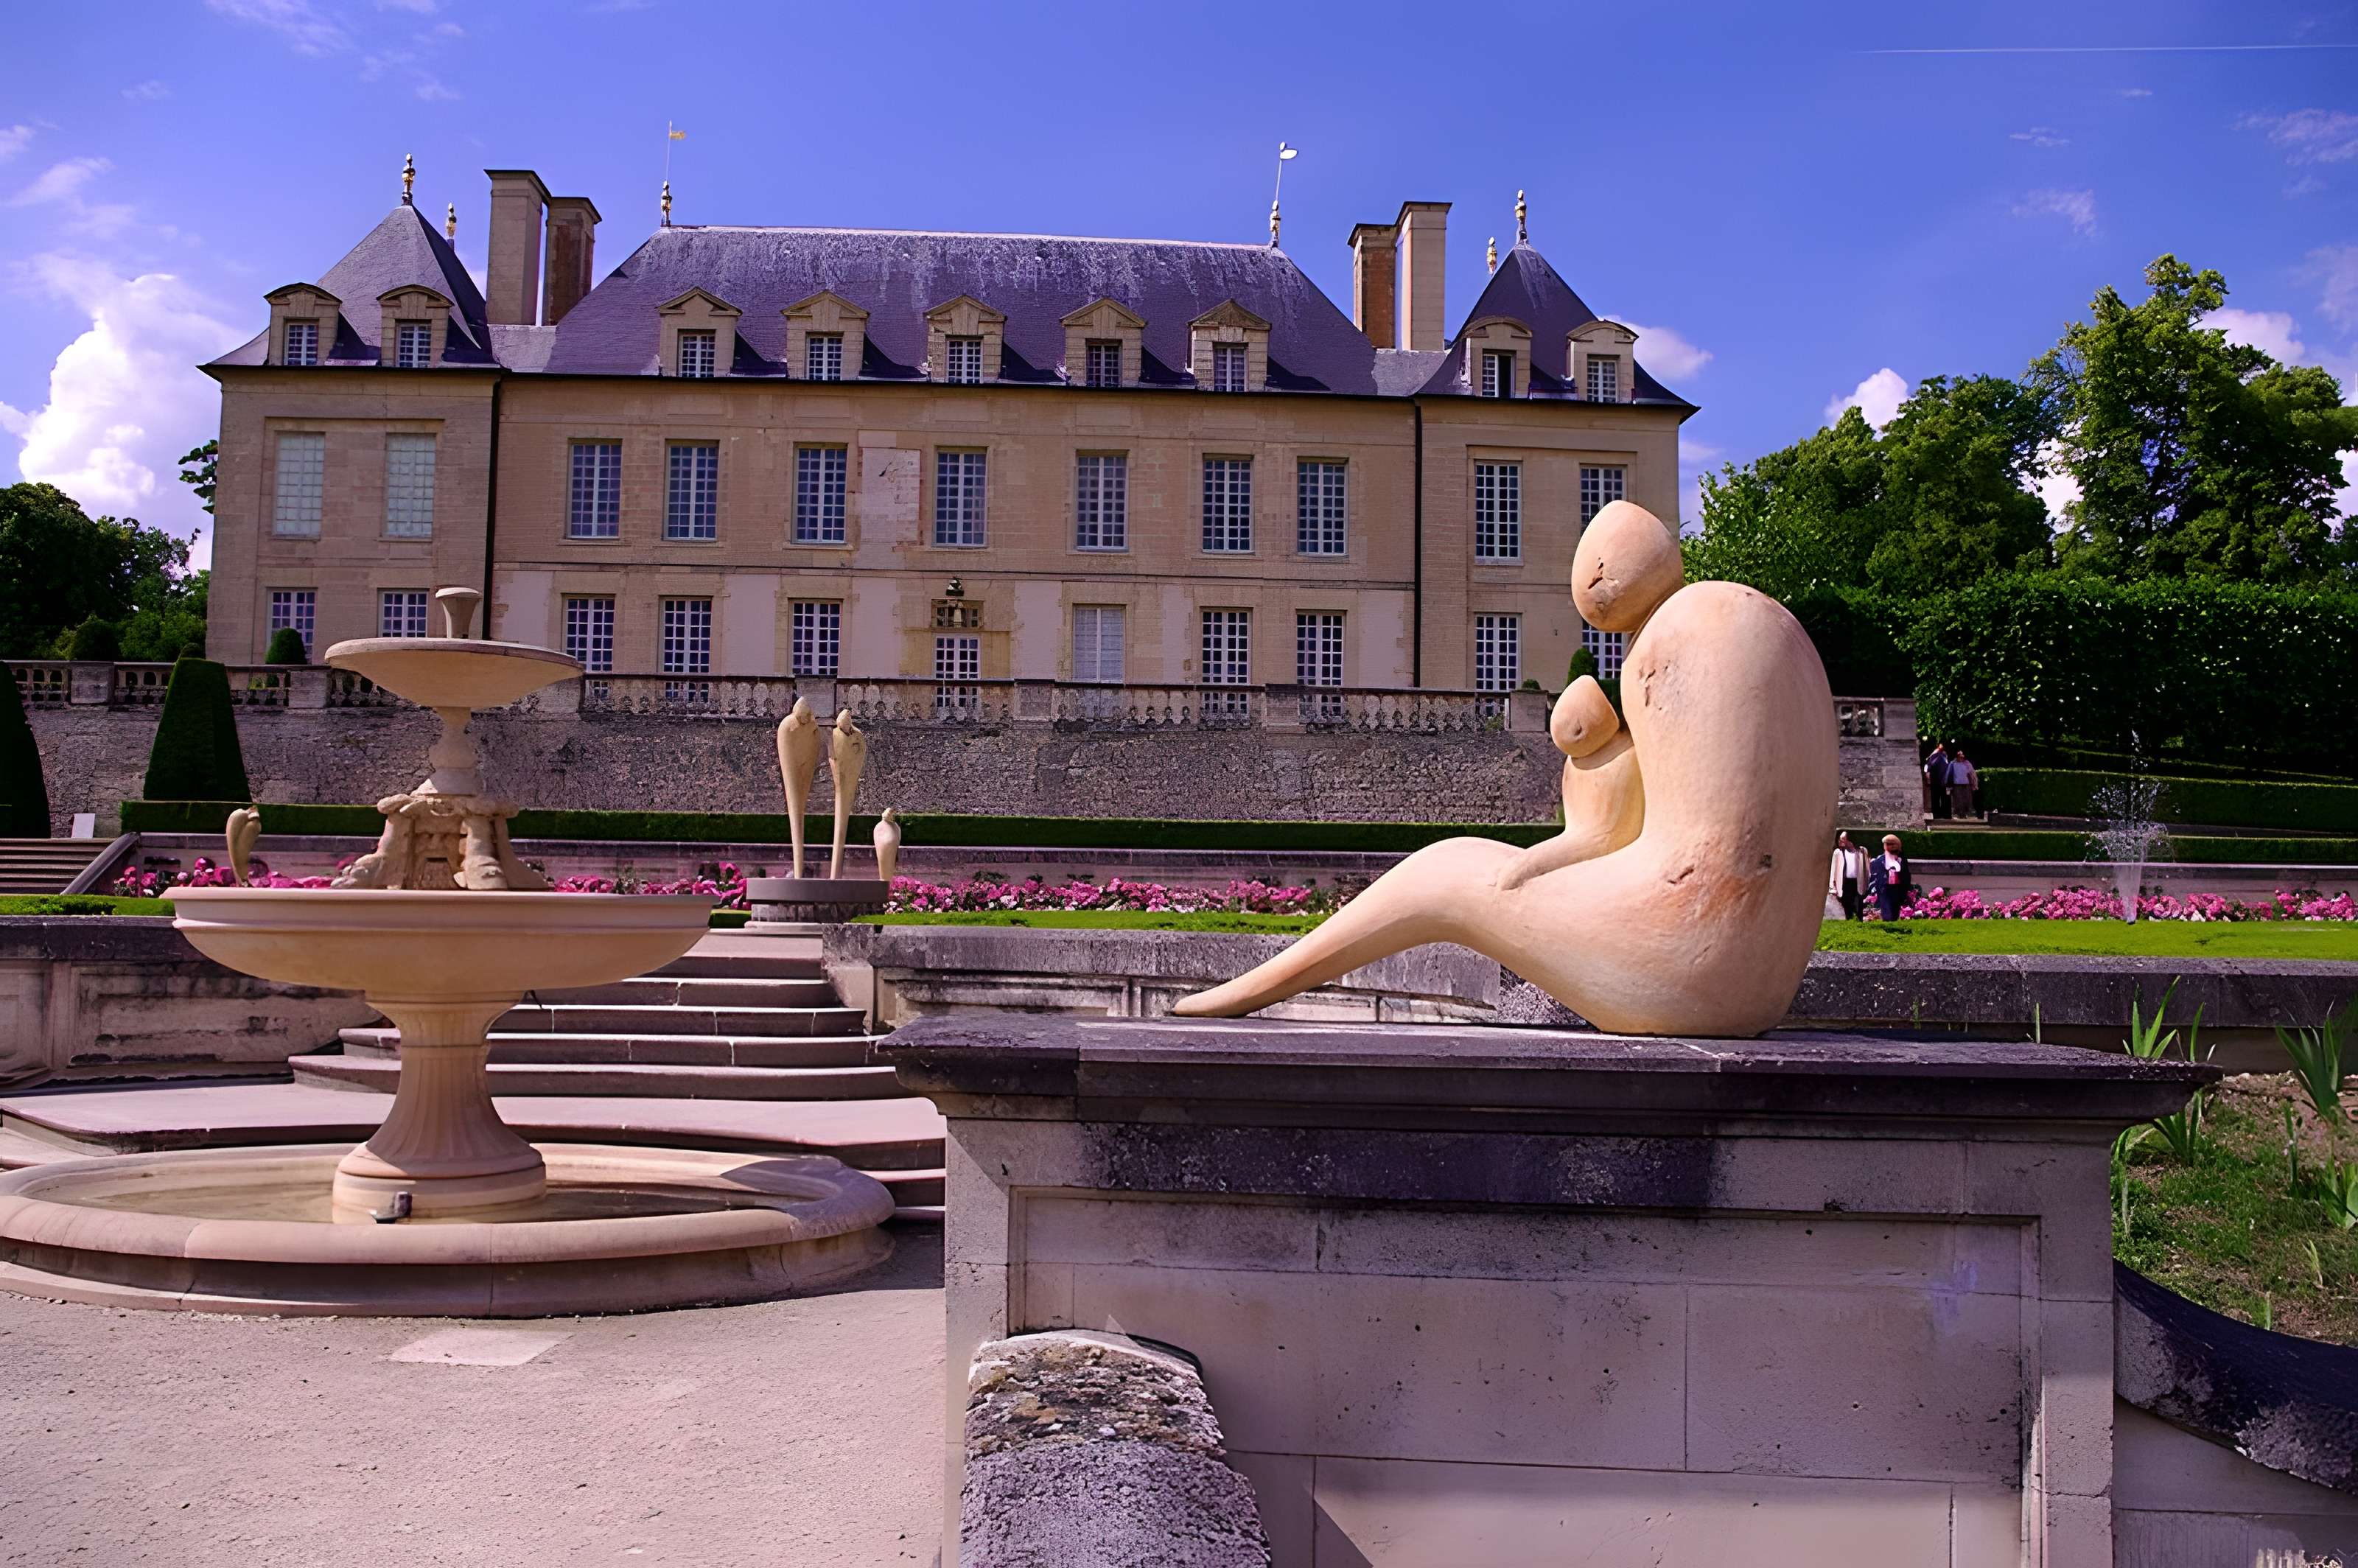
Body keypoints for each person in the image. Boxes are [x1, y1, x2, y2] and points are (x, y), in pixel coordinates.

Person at [1865, 833, 1914, 920]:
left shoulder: (1901, 859)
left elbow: (1906, 875)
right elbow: (1872, 869)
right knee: (1887, 912)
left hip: (1897, 888)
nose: (1889, 847)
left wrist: (1905, 888)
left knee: (1895, 911)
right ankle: (1888, 927)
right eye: (1887, 844)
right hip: (1885, 888)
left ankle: (1893, 926)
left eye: (1891, 844)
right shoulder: (1881, 859)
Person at [1828, 831, 1866, 920]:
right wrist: (1832, 886)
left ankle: (1859, 921)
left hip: (1858, 882)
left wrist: (1866, 882)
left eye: (1844, 839)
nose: (1841, 840)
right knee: (1847, 903)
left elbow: (1866, 869)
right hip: (1845, 882)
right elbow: (1834, 869)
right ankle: (1849, 920)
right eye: (1840, 838)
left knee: (1858, 904)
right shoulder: (1838, 852)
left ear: (1850, 840)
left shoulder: (1861, 851)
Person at [1924, 742, 1952, 820]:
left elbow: (1929, 767)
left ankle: (1941, 815)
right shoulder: (1938, 756)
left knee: (1939, 798)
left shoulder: (1941, 757)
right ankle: (1943, 815)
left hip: (1940, 781)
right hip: (1940, 781)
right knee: (1941, 798)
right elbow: (1929, 767)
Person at [1949, 746, 1978, 821]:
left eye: (1962, 756)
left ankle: (1964, 813)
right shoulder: (1953, 764)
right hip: (1957, 784)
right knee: (1958, 799)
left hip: (1966, 784)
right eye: (1959, 756)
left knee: (1966, 799)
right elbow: (1949, 774)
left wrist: (1974, 784)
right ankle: (1959, 814)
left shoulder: (1967, 763)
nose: (1961, 758)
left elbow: (1972, 774)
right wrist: (1948, 783)